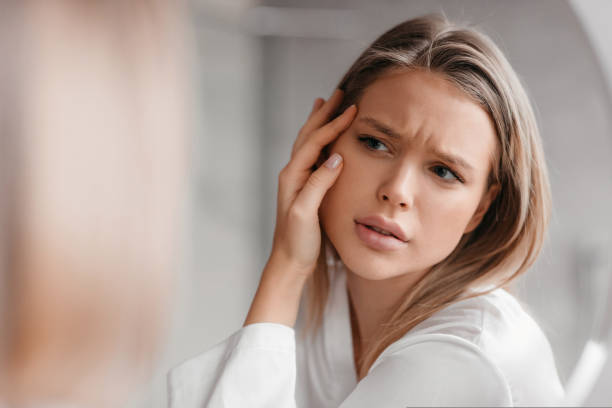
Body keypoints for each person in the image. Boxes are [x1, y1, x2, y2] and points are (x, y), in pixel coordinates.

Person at [169, 14, 564, 407]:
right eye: (376, 144)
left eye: (443, 171)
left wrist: (286, 269)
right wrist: (288, 266)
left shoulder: (467, 353)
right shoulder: (332, 308)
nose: (396, 191)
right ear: (325, 142)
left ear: (481, 208)